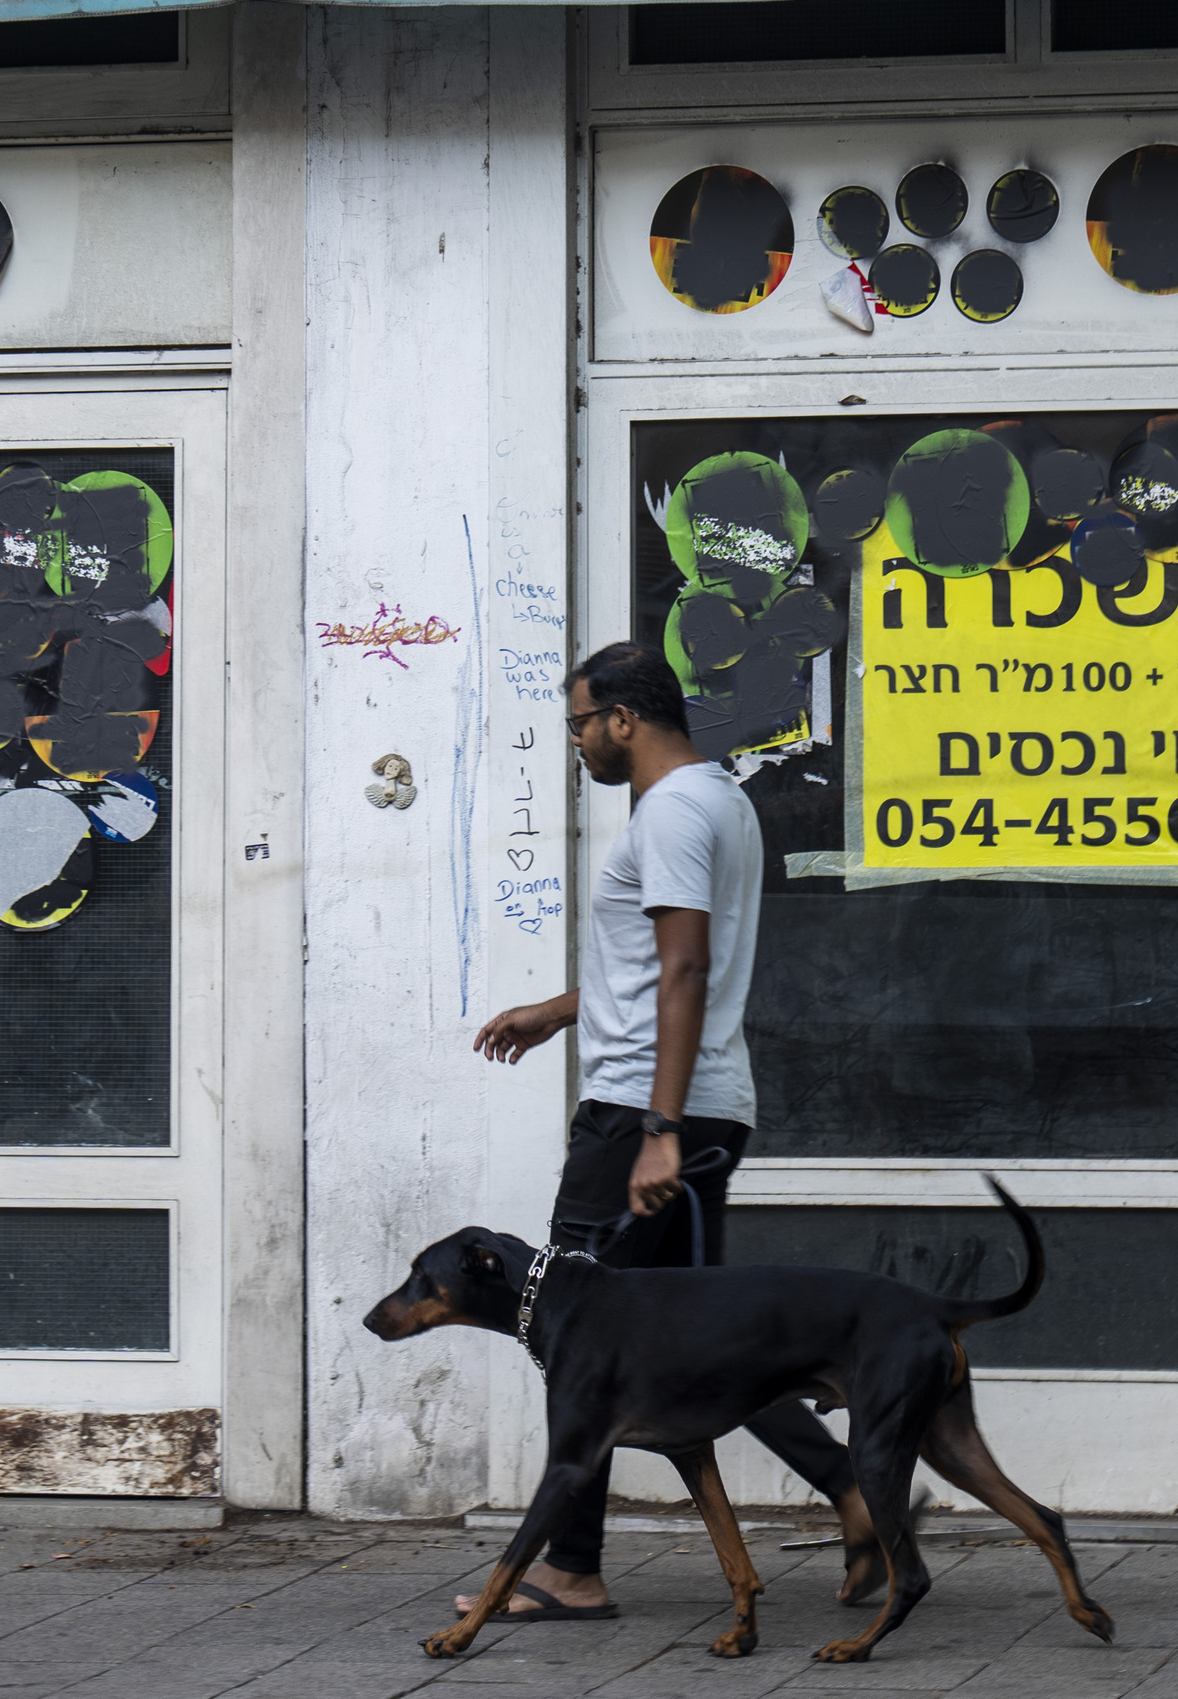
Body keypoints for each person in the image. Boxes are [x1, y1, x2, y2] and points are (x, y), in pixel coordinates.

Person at [460, 640, 877, 1622]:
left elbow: (685, 969)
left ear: (623, 719)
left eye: (578, 723)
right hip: (691, 1104)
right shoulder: (717, 799)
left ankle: (571, 1564)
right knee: (708, 1344)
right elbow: (657, 965)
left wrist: (658, 1129)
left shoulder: (677, 809)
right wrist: (559, 1010)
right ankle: (858, 1499)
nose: (575, 743)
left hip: (646, 1115)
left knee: (577, 1335)